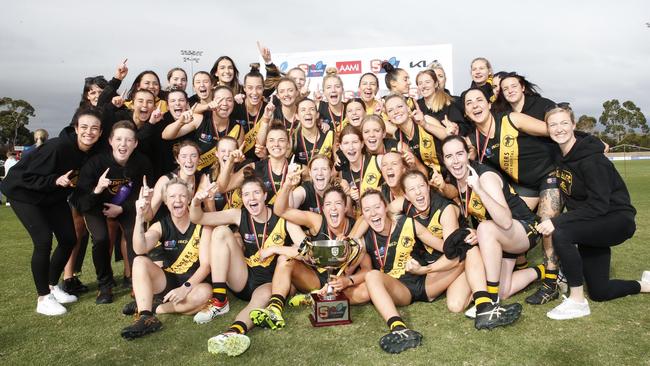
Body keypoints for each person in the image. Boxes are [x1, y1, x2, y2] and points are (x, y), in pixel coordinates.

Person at [537, 105, 650, 320]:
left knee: (562, 232)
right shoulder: (560, 154)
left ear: (573, 125)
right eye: (553, 124)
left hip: (616, 218)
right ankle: (646, 284)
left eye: (564, 123)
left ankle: (577, 300)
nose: (559, 128)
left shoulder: (592, 160)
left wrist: (558, 221)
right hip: (591, 222)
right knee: (600, 291)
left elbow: (599, 205)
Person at [463, 86, 564, 305]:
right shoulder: (474, 139)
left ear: (489, 103)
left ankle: (551, 284)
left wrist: (589, 141)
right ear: (466, 113)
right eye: (469, 103)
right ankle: (520, 267)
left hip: (547, 174)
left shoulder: (511, 119)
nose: (475, 106)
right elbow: (453, 146)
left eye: (479, 100)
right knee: (517, 222)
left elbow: (554, 130)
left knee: (546, 227)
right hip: (524, 186)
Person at [0, 107, 102, 315]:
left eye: (94, 128)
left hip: (52, 196)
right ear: (75, 128)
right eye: (84, 127)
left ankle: (52, 286)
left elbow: (78, 183)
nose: (89, 132)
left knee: (68, 239)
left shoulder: (90, 153)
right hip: (24, 193)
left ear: (100, 133)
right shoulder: (57, 147)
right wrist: (54, 180)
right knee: (43, 240)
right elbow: (25, 176)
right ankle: (43, 298)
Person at [189, 175, 304, 356]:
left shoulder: (282, 217)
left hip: (271, 282)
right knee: (220, 232)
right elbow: (199, 218)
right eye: (246, 194)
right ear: (242, 198)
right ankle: (220, 300)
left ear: (265, 196)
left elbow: (305, 250)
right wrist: (196, 202)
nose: (251, 198)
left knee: (258, 302)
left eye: (256, 193)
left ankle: (230, 333)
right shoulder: (239, 214)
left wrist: (275, 249)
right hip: (244, 276)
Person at [441, 136, 541, 311]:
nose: (455, 161)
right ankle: (544, 270)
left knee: (485, 229)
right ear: (444, 160)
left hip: (523, 229)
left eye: (459, 154)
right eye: (449, 156)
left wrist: (479, 189)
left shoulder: (485, 177)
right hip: (498, 238)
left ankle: (491, 301)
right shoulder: (454, 180)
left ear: (468, 154)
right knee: (504, 290)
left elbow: (505, 221)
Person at [72, 121, 153, 304]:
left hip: (125, 206)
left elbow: (143, 195)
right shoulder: (96, 163)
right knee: (101, 239)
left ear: (135, 143)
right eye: (119, 139)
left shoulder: (141, 163)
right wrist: (98, 190)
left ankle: (136, 281)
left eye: (128, 140)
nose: (123, 144)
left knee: (135, 235)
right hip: (95, 206)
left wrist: (123, 208)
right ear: (110, 141)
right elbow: (80, 201)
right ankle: (105, 285)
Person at [120, 178, 212, 339]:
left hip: (193, 283)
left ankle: (154, 308)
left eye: (182, 196)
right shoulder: (160, 225)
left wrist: (185, 288)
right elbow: (139, 248)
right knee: (139, 261)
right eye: (172, 197)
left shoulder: (202, 224)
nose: (178, 200)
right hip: (167, 280)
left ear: (189, 198)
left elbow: (205, 266)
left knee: (205, 294)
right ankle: (146, 317)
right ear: (165, 201)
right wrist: (139, 218)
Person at [292, 98, 334, 166]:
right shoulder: (292, 139)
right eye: (303, 110)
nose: (308, 112)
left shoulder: (328, 135)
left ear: (317, 115)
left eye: (312, 109)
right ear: (297, 116)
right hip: (303, 176)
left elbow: (337, 164)